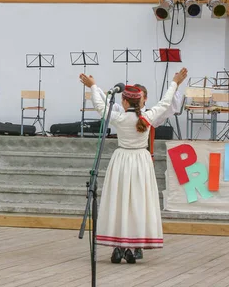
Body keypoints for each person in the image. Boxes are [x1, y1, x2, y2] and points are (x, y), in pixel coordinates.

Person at [80, 68, 188, 264]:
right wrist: (175, 82)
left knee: (119, 200)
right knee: (138, 202)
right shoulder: (147, 117)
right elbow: (165, 102)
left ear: (124, 101)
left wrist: (93, 86)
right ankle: (132, 246)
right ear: (141, 101)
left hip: (121, 160)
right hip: (141, 161)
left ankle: (119, 245)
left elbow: (100, 105)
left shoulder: (120, 118)